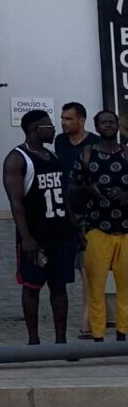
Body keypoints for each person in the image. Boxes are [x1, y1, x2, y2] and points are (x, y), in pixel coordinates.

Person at [2, 110, 79, 345]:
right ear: (35, 129)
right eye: (49, 126)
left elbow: (64, 197)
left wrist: (75, 228)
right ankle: (33, 342)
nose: (54, 129)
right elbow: (15, 202)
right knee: (31, 288)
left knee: (60, 288)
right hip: (36, 237)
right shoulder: (17, 158)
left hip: (61, 234)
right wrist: (26, 238)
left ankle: (60, 342)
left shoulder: (52, 157)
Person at [72, 110, 128, 342]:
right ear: (96, 126)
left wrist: (126, 194)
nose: (108, 125)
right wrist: (89, 189)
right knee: (96, 287)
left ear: (117, 126)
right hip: (97, 229)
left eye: (111, 122)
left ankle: (123, 335)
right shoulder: (86, 155)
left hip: (126, 230)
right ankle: (97, 336)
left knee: (126, 287)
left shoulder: (126, 153)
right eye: (103, 122)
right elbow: (71, 190)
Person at [54, 101, 100, 340]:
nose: (63, 123)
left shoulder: (93, 144)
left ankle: (87, 323)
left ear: (81, 120)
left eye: (69, 119)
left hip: (87, 213)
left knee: (86, 268)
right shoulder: (60, 142)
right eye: (62, 118)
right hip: (63, 211)